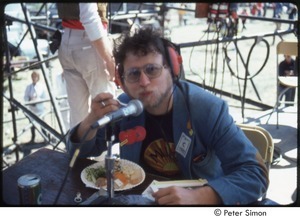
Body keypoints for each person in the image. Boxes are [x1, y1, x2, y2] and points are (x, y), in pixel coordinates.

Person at [67, 27, 269, 205]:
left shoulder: (207, 109)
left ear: (172, 70)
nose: (144, 82)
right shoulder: (125, 107)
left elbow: (254, 174)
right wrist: (91, 120)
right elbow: (81, 151)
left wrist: (200, 197)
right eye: (134, 74)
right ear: (122, 80)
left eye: (152, 70)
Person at [57, 3, 116, 128]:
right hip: (89, 43)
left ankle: (79, 148)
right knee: (106, 111)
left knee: (78, 118)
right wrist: (109, 59)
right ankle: (104, 146)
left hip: (67, 39)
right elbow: (88, 16)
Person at [24, 71, 48, 143]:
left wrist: (38, 100)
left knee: (42, 123)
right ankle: (33, 138)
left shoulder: (41, 86)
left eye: (35, 77)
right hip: (32, 109)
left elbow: (44, 97)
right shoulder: (29, 87)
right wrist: (30, 100)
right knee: (32, 124)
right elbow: (25, 97)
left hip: (40, 108)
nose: (34, 78)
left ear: (38, 78)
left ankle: (45, 138)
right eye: (33, 77)